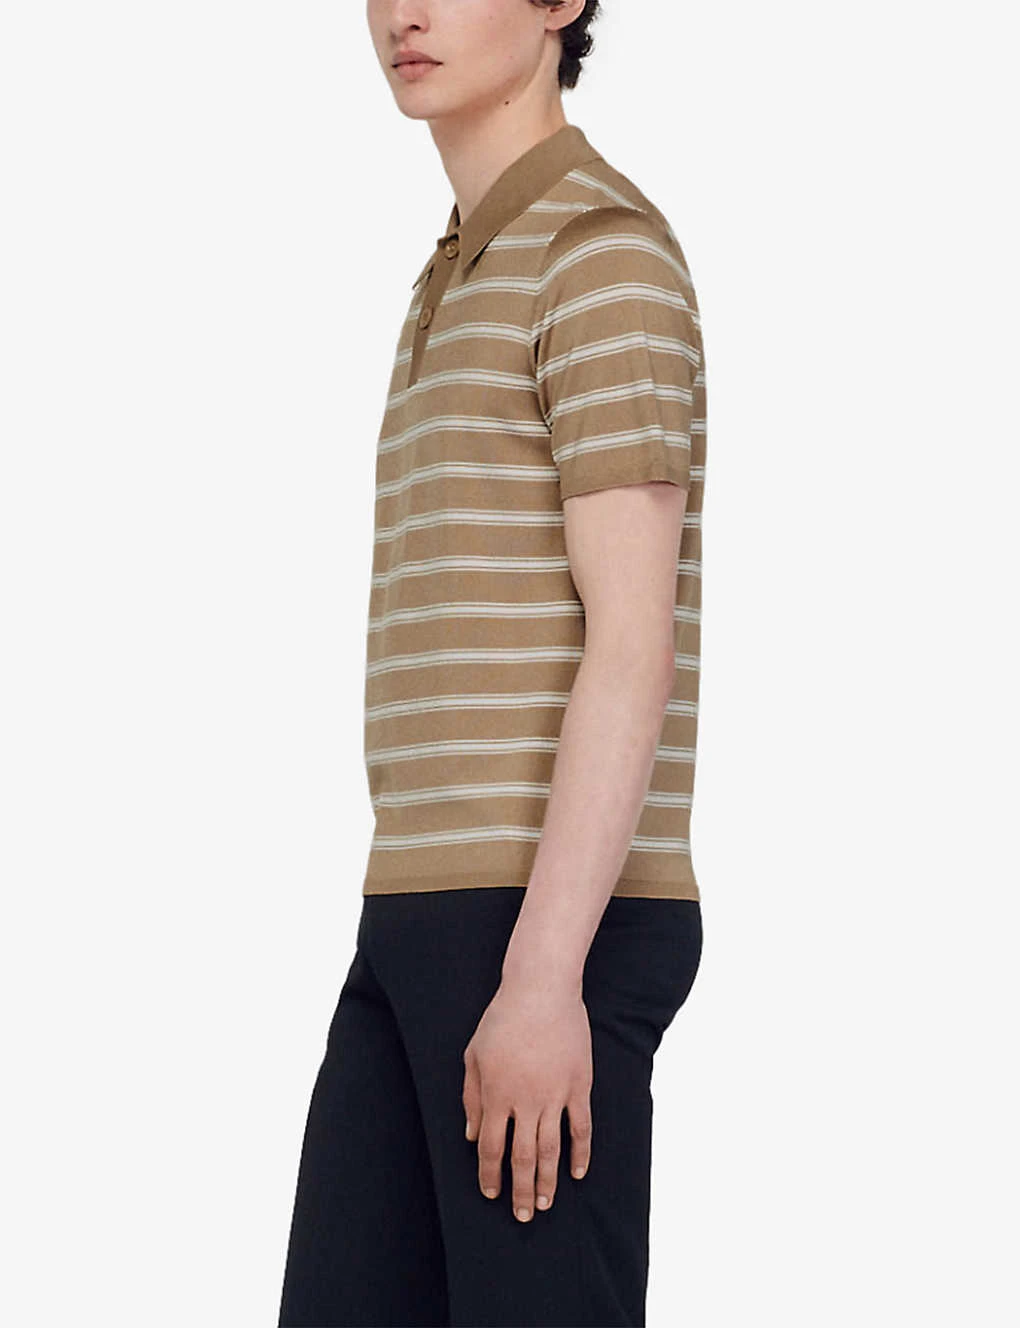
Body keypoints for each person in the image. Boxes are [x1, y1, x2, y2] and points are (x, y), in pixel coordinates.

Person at [277, 2, 707, 1324]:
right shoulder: (462, 264)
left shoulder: (600, 255)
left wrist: (542, 978)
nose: (403, 13)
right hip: (418, 912)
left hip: (542, 928)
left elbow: (632, 649)